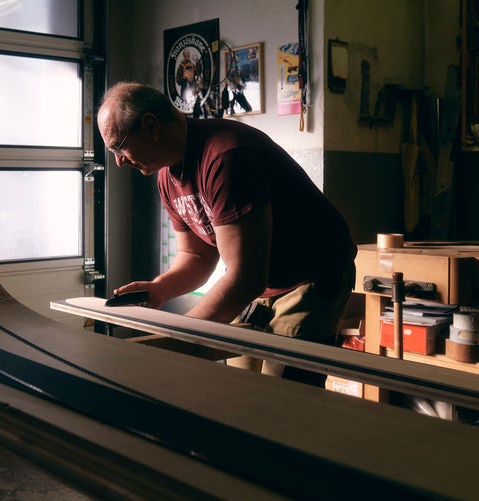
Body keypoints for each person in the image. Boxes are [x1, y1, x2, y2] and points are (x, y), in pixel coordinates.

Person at [96, 82, 357, 387]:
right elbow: (197, 255)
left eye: (119, 147)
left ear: (150, 125)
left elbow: (245, 279)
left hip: (312, 274)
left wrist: (180, 337)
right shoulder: (167, 177)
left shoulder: (227, 156)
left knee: (285, 398)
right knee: (237, 388)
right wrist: (160, 289)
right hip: (261, 283)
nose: (119, 161)